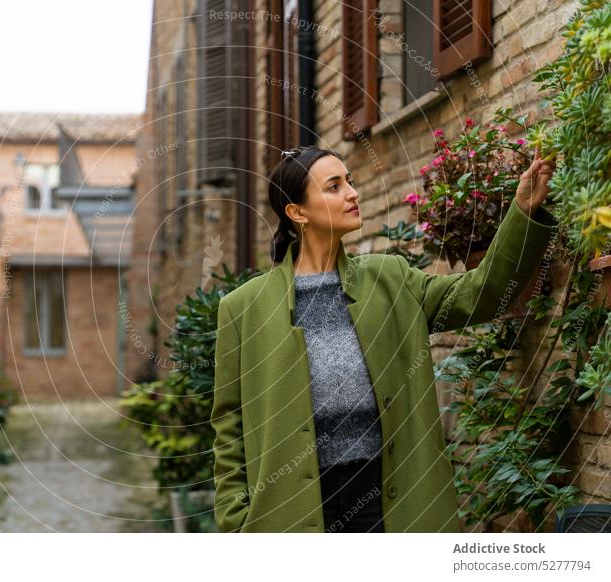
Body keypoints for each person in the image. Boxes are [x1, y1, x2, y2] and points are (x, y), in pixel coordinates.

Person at [211, 144, 557, 533]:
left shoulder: (392, 280)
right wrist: (235, 518)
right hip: (287, 513)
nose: (352, 193)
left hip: (389, 502)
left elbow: (482, 292)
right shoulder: (243, 309)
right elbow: (230, 425)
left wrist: (523, 212)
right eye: (334, 186)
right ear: (297, 212)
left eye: (351, 182)